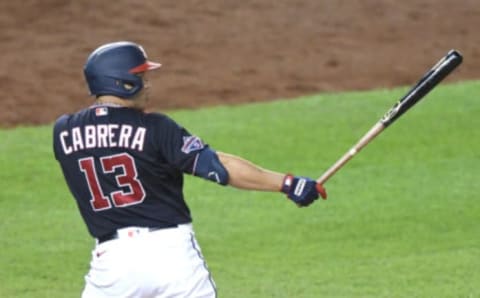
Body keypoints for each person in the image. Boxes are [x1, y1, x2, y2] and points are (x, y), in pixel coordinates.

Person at [53, 41, 327, 298]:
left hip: (111, 264)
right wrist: (288, 183)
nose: (148, 85)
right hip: (171, 256)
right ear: (124, 83)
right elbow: (220, 167)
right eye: (142, 77)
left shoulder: (63, 131)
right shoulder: (156, 128)